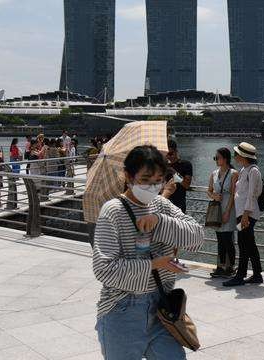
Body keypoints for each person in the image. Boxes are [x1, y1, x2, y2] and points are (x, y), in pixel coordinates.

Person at [93, 145, 204, 359]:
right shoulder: (112, 211)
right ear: (128, 176)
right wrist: (155, 264)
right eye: (145, 179)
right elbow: (103, 270)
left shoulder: (161, 205)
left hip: (161, 309)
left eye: (158, 180)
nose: (152, 186)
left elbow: (197, 238)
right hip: (122, 310)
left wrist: (160, 222)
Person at [223, 142, 264, 287]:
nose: (235, 156)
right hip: (243, 214)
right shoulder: (244, 170)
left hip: (248, 214)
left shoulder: (253, 171)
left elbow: (252, 194)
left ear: (243, 156)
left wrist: (246, 214)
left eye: (237, 154)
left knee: (243, 243)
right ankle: (257, 274)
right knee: (249, 243)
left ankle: (240, 275)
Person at [207, 148, 238, 278]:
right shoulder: (214, 173)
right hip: (217, 209)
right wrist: (213, 196)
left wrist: (227, 212)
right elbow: (208, 190)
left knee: (227, 239)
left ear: (225, 159)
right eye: (215, 158)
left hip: (228, 209)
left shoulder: (233, 173)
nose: (216, 160)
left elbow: (233, 194)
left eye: (217, 157)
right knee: (220, 239)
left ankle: (230, 267)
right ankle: (220, 266)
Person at [162, 139, 193, 213]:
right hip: (163, 203)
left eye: (171, 154)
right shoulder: (162, 165)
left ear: (176, 151)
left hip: (179, 204)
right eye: (166, 154)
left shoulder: (186, 164)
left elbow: (186, 185)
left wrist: (174, 173)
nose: (168, 157)